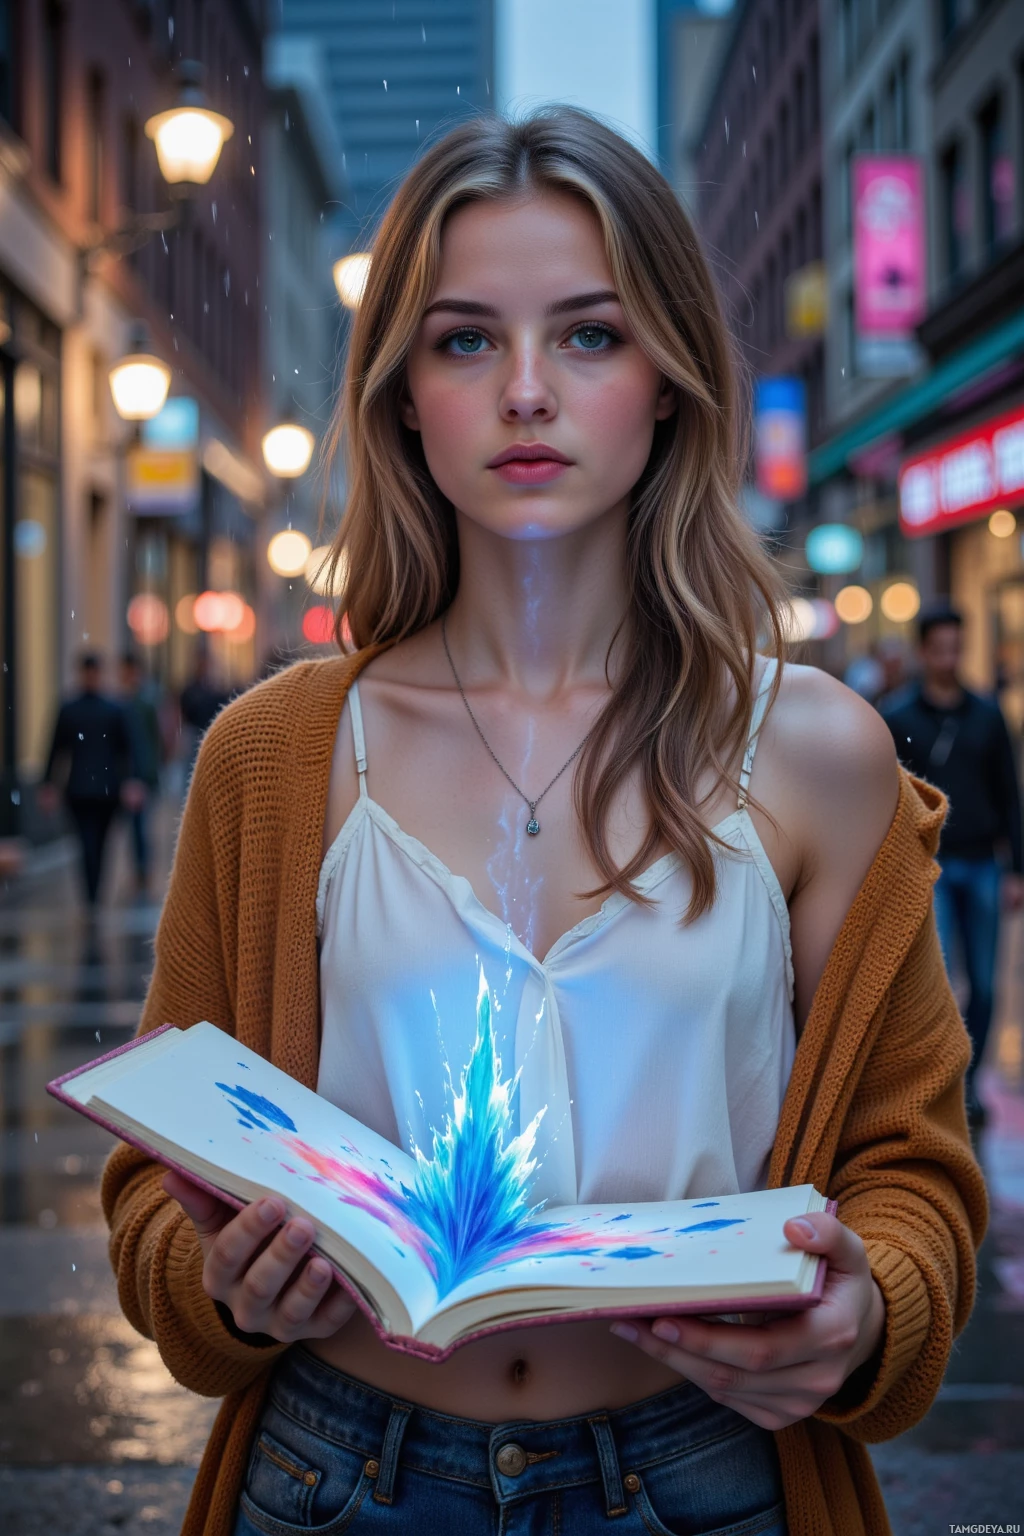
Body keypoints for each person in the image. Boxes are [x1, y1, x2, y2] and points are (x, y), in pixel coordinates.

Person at [102, 112, 985, 1536]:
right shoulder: (273, 756)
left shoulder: (817, 751)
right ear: (400, 395)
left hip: (705, 1476)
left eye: (587, 335)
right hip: (337, 1475)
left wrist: (868, 1307)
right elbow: (158, 1184)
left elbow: (913, 1172)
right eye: (464, 342)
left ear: (670, 381)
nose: (525, 391)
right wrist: (219, 1283)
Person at [882, 604, 1024, 1124]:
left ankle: (969, 1085)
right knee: (936, 982)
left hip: (984, 864)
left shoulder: (987, 715)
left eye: (955, 647)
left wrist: (1016, 870)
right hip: (929, 867)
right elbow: (888, 800)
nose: (948, 657)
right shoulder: (897, 717)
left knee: (986, 985)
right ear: (923, 651)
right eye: (939, 648)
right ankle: (940, 1086)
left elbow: (1011, 795)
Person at [39, 653, 143, 907]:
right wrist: (48, 784)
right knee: (90, 843)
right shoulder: (106, 709)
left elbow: (128, 750)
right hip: (93, 789)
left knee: (95, 843)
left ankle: (92, 893)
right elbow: (56, 749)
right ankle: (92, 893)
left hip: (93, 789)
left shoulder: (87, 709)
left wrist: (132, 781)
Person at [119, 653, 163, 896]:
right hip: (128, 775)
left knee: (141, 825)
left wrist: (149, 772)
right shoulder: (122, 701)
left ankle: (143, 869)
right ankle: (139, 869)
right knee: (135, 826)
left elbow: (153, 740)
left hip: (143, 775)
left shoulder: (145, 703)